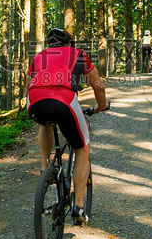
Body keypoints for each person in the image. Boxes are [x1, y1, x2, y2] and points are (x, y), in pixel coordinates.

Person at [26, 28, 107, 225]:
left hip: (34, 101)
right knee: (82, 148)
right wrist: (101, 106)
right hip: (64, 100)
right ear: (70, 44)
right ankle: (78, 206)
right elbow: (98, 85)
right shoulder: (78, 54)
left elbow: (28, 83)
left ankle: (45, 167)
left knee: (45, 123)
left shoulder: (38, 57)